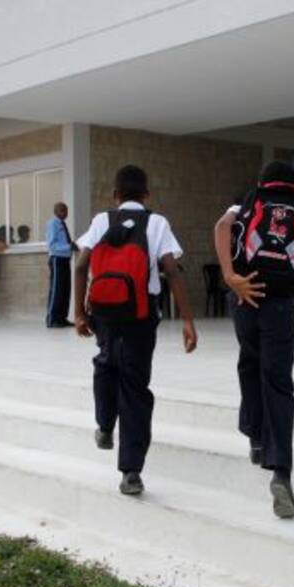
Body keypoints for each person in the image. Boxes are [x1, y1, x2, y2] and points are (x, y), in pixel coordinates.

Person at [214, 161, 294, 518]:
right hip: (282, 305)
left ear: (262, 183)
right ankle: (281, 474)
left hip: (246, 295)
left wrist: (230, 275)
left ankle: (256, 435)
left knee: (249, 362)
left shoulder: (247, 202)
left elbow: (222, 227)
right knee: (279, 383)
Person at [74, 165, 197, 497]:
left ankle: (104, 424)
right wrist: (187, 319)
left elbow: (82, 264)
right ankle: (131, 472)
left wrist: (79, 313)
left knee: (106, 362)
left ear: (115, 195)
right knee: (135, 386)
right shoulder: (157, 223)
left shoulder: (102, 220)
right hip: (142, 316)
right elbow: (171, 270)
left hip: (103, 312)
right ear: (146, 195)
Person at [46, 202, 76, 328]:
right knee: (57, 289)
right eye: (63, 210)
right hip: (57, 259)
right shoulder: (53, 223)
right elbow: (52, 245)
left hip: (65, 259)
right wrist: (69, 246)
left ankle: (62, 318)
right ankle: (52, 319)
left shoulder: (62, 224)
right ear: (56, 211)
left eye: (67, 210)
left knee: (65, 289)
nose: (66, 213)